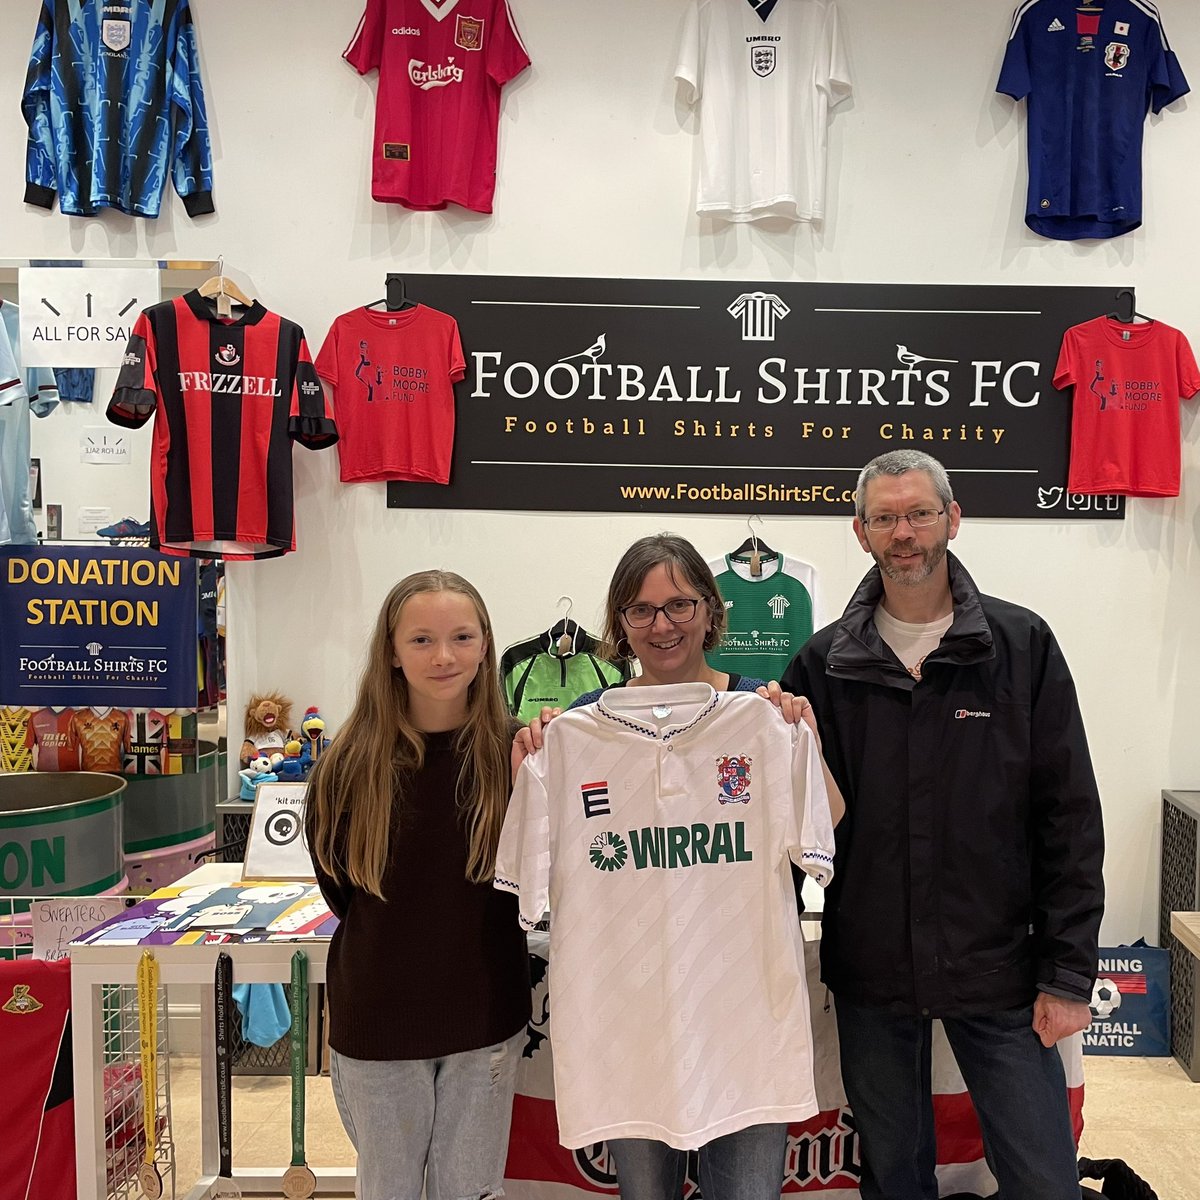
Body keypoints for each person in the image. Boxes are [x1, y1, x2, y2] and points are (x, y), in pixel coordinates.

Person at [781, 450, 1104, 1200]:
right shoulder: (822, 665)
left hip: (1001, 970)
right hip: (873, 971)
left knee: (1045, 1180)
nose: (905, 533)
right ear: (860, 532)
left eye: (920, 513)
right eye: (886, 517)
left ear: (952, 519)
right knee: (894, 1180)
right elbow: (793, 828)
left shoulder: (1023, 649)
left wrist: (1067, 973)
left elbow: (1070, 821)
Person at [513, 533, 841, 1200]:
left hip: (741, 1023)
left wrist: (800, 740)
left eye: (678, 606)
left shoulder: (763, 715)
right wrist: (531, 770)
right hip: (629, 1028)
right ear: (621, 624)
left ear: (710, 611)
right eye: (640, 610)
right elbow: (529, 868)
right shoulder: (576, 733)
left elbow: (823, 824)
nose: (660, 625)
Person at [304, 570, 531, 1200]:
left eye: (461, 637)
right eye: (423, 640)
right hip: (379, 1025)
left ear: (486, 645)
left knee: (472, 1190)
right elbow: (341, 889)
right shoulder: (346, 766)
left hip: (483, 1019)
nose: (444, 656)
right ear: (392, 652)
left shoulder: (516, 756)